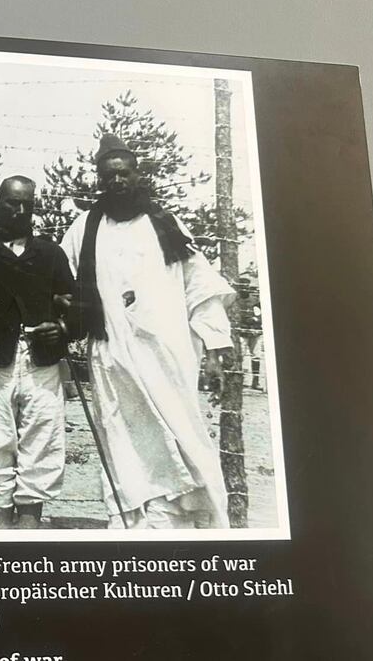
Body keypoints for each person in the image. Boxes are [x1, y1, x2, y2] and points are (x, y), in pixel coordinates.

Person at [59, 134, 235, 530]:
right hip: (113, 353)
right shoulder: (85, 226)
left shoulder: (163, 223)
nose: (117, 182)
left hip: (166, 353)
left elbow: (201, 284)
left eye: (123, 174)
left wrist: (214, 345)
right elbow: (61, 277)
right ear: (99, 180)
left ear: (137, 174)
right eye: (108, 176)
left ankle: (185, 515)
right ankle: (132, 518)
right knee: (122, 431)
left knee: (180, 429)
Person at [0, 176, 79, 528]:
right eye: (12, 201)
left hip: (41, 362)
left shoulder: (50, 254)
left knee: (42, 438)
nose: (19, 210)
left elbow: (75, 305)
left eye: (27, 203)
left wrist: (64, 327)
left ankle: (29, 524)